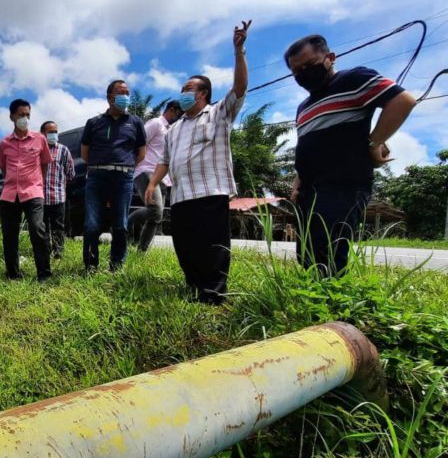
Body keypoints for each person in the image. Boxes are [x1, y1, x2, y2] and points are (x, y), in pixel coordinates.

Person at [284, 34, 417, 275]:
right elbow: (306, 146)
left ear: (330, 58)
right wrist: (297, 183)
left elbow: (403, 100)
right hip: (309, 188)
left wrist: (373, 142)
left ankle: (331, 307)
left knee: (328, 252)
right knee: (306, 253)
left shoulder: (353, 79)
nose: (304, 73)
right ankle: (312, 303)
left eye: (309, 65)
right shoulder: (303, 107)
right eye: (297, 71)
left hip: (343, 182)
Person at [146, 20, 251, 304]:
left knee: (213, 245)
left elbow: (240, 88)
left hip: (210, 192)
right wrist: (152, 183)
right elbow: (164, 160)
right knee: (185, 245)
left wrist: (238, 51)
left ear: (203, 94)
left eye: (188, 88)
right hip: (180, 197)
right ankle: (194, 286)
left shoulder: (218, 115)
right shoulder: (174, 128)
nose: (182, 93)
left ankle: (213, 294)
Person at [80, 80, 147, 272]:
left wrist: (124, 168)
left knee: (120, 225)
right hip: (96, 177)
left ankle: (116, 267)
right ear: (110, 97)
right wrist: (101, 166)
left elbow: (141, 154)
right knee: (92, 225)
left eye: (127, 92)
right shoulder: (94, 123)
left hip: (123, 179)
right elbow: (85, 153)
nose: (125, 96)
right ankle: (90, 267)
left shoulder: (135, 122)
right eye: (120, 92)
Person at [0, 99, 53, 281]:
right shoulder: (4, 143)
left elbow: (44, 164)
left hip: (33, 192)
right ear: (12, 117)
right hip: (9, 194)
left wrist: (37, 183)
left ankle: (44, 274)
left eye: (27, 115)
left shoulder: (40, 139)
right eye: (21, 115)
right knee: (10, 236)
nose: (25, 118)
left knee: (38, 230)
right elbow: (4, 169)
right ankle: (13, 275)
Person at [128, 100, 182, 251]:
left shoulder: (171, 130)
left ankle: (141, 252)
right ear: (172, 110)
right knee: (155, 210)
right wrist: (133, 166)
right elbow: (138, 144)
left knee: (156, 218)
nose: (181, 117)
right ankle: (128, 221)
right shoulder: (156, 123)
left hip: (163, 176)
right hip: (146, 170)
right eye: (179, 113)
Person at [41, 121, 75, 259]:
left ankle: (58, 253)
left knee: (58, 226)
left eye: (55, 131)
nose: (53, 134)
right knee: (42, 227)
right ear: (42, 134)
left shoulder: (63, 150)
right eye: (50, 132)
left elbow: (70, 173)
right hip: (40, 196)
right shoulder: (37, 150)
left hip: (58, 196)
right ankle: (44, 251)